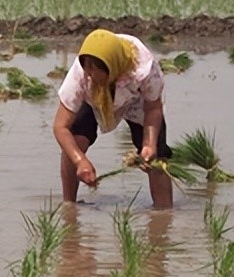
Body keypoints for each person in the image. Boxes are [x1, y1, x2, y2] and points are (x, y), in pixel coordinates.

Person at [52, 28, 173, 208]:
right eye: (87, 68)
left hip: (135, 99)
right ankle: (69, 207)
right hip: (94, 98)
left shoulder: (144, 68)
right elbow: (60, 126)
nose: (89, 74)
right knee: (75, 141)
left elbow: (153, 108)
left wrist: (149, 144)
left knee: (157, 159)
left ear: (111, 68)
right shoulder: (81, 77)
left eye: (95, 71)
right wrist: (80, 161)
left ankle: (163, 214)